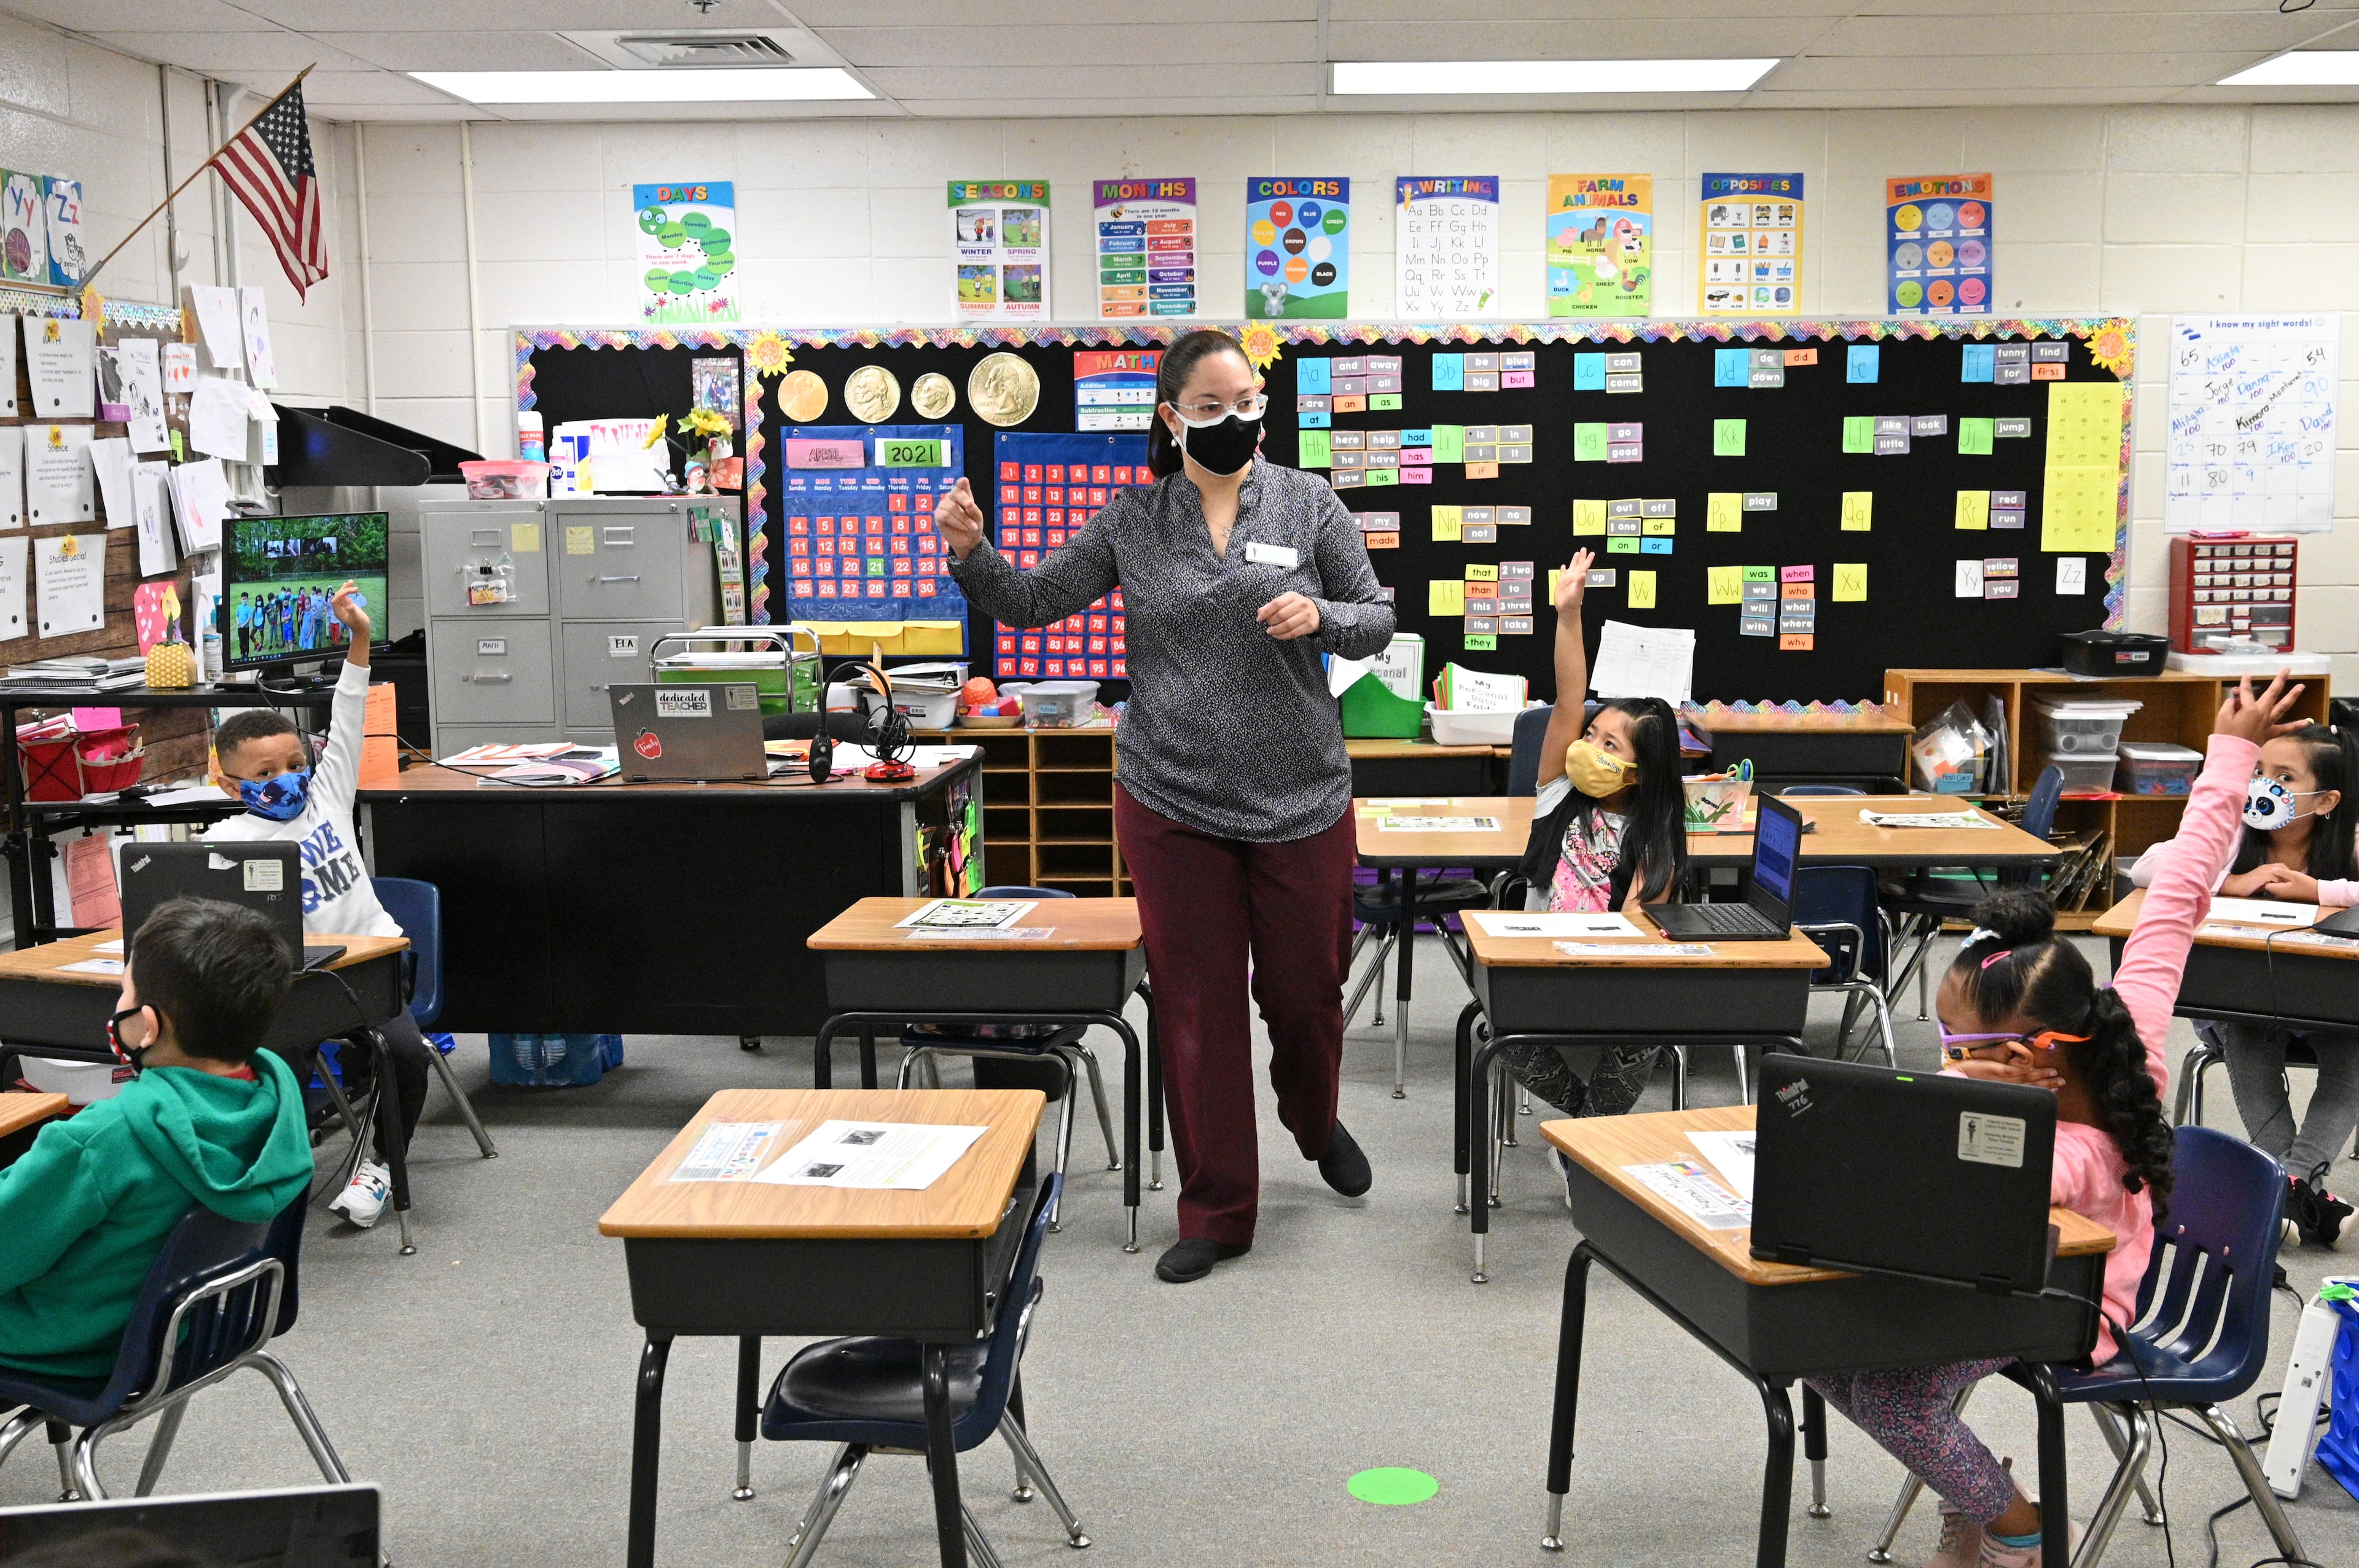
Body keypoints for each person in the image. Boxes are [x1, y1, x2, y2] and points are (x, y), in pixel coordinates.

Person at [1807, 673, 2309, 1568]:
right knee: (1820, 1353)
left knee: (1886, 1393)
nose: (1949, 1061)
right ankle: (1982, 1498)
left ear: (2038, 1054)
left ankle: (2016, 1524)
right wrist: (2229, 754)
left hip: (2071, 1314)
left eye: (1962, 1046)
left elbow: (1953, 1223)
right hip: (2016, 1281)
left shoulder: (2055, 1153)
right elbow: (2179, 898)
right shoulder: (2128, 1028)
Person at [935, 328, 1396, 1284]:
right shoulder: (1133, 518)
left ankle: (1313, 1118)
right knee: (1197, 1007)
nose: (1239, 421)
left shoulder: (1309, 501)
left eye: (1249, 402)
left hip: (1301, 793)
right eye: (1215, 407)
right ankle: (1219, 1206)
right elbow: (1030, 602)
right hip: (1171, 794)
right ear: (1172, 417)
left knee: (1306, 997)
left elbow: (1377, 615)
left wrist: (1323, 617)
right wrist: (972, 554)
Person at [0, 899, 311, 1381]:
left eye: (124, 991)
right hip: (183, 1333)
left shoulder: (101, 1139)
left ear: (147, 1024)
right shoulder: (278, 1112)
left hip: (67, 1347)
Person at [208, 580, 423, 1229]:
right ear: (227, 782)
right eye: (265, 773)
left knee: (405, 1055)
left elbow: (350, 706)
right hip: (289, 986)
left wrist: (359, 633)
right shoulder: (222, 844)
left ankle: (381, 1165)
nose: (286, 779)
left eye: (293, 762)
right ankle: (276, 1171)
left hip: (373, 966)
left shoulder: (328, 794)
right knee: (265, 1065)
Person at [2127, 719, 2358, 1244]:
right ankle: (2302, 1190)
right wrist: (2231, 881)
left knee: (2353, 1056)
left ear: (2325, 801)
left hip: (2329, 1008)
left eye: (2284, 775)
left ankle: (2283, 1188)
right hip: (2242, 1008)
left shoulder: (2346, 846)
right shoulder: (2233, 834)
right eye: (2257, 770)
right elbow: (2147, 865)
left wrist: (2321, 889)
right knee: (2250, 1036)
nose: (2262, 784)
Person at [1495, 545, 1688, 1118]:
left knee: (1643, 1039)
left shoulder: (1655, 839)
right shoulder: (1557, 791)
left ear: (1642, 770)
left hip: (1603, 975)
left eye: (1610, 744)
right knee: (1503, 1042)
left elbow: (1637, 929)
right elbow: (1569, 696)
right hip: (1534, 968)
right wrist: (1569, 615)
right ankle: (1589, 1135)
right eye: (1593, 734)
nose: (1590, 746)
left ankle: (1584, 1140)